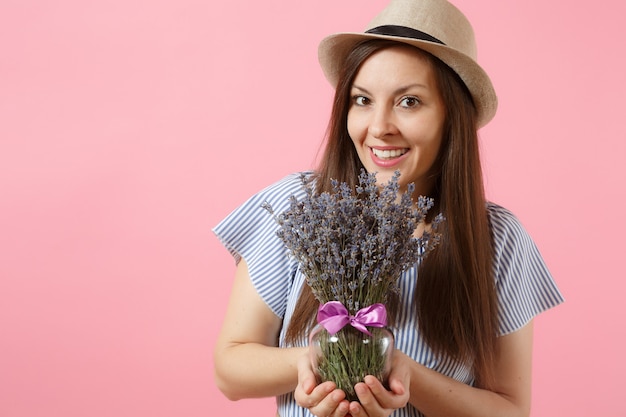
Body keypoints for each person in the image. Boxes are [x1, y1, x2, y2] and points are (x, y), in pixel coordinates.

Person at [213, 0, 564, 416]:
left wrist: (406, 376)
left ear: (453, 117)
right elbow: (229, 369)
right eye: (362, 100)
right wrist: (312, 361)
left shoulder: (497, 239)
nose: (379, 127)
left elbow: (511, 410)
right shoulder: (303, 211)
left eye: (409, 102)